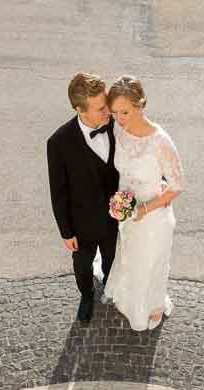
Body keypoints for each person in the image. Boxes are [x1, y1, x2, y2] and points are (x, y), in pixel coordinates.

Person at [102, 76, 185, 331]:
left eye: (125, 111)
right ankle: (129, 299)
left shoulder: (160, 141)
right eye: (115, 112)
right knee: (129, 257)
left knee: (149, 264)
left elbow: (177, 186)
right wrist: (122, 204)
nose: (119, 118)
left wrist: (144, 208)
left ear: (140, 105)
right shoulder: (118, 130)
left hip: (152, 216)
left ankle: (152, 306)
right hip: (127, 212)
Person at [46, 72, 120, 323]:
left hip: (114, 219)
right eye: (101, 108)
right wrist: (66, 232)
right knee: (83, 266)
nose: (108, 111)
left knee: (113, 259)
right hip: (82, 223)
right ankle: (86, 296)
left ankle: (112, 290)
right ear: (80, 109)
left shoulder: (117, 125)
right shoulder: (59, 143)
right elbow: (58, 192)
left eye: (107, 104)